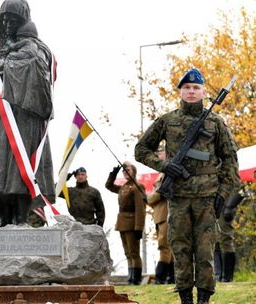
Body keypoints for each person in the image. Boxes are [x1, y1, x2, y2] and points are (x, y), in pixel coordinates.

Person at [135, 68, 241, 304]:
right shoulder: (167, 121)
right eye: (187, 88)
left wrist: (222, 194)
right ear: (180, 92)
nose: (191, 91)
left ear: (203, 91)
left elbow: (231, 160)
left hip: (207, 198)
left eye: (195, 88)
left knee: (205, 252)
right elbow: (141, 150)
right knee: (180, 250)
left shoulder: (215, 122)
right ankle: (185, 298)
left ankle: (204, 299)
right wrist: (164, 166)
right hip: (179, 197)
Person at [0, 0, 55, 225]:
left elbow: (43, 79)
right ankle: (4, 218)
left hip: (27, 118)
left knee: (22, 170)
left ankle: (22, 218)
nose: (8, 23)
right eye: (4, 18)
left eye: (14, 19)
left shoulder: (38, 48)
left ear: (23, 20)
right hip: (0, 118)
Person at [105, 161, 146, 285]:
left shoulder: (137, 186)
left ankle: (136, 278)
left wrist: (139, 227)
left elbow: (140, 208)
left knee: (134, 252)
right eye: (124, 170)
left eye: (128, 169)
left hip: (132, 222)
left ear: (134, 171)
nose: (125, 172)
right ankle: (130, 277)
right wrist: (114, 173)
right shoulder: (124, 187)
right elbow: (108, 186)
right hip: (122, 223)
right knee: (127, 252)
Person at [147, 173, 175, 284]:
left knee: (164, 246)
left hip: (165, 215)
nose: (157, 155)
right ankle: (172, 277)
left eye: (159, 153)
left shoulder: (166, 174)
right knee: (168, 248)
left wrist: (150, 197)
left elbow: (155, 196)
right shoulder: (162, 174)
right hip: (160, 216)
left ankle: (161, 277)